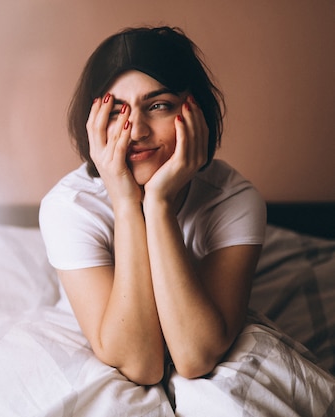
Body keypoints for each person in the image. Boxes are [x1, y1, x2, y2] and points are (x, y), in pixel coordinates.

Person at [39, 26, 267, 386]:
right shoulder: (70, 207)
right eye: (116, 110)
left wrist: (158, 205)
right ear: (92, 121)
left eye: (158, 106)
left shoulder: (232, 198)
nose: (137, 131)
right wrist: (127, 204)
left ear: (195, 112)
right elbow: (140, 364)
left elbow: (195, 356)